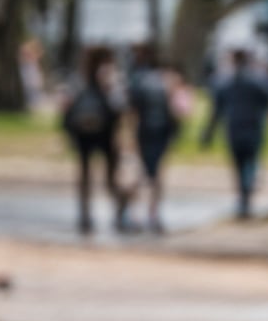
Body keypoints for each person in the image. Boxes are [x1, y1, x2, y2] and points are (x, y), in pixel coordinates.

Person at [61, 45, 131, 235]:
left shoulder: (78, 77)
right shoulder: (110, 77)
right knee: (110, 175)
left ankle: (85, 215)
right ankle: (119, 212)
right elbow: (120, 104)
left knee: (85, 174)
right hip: (105, 132)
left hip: (84, 131)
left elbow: (66, 104)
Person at [202, 47, 268, 220]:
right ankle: (246, 199)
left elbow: (216, 110)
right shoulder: (257, 81)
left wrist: (208, 133)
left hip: (235, 129)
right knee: (249, 164)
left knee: (240, 166)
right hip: (253, 128)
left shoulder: (226, 83)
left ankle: (244, 200)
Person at [126, 58, 189, 234]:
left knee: (142, 174)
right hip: (160, 135)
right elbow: (181, 112)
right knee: (155, 176)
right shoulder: (169, 86)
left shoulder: (142, 85)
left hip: (144, 133)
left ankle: (133, 215)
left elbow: (133, 112)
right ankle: (152, 215)